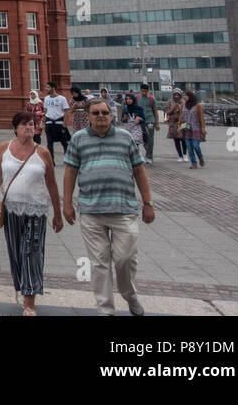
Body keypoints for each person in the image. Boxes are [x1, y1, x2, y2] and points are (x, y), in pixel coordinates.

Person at [63, 98, 155, 316]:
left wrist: (148, 203)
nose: (101, 116)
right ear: (89, 116)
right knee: (100, 264)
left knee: (125, 258)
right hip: (91, 211)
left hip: (123, 209)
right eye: (96, 113)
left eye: (105, 112)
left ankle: (129, 294)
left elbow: (139, 170)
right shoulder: (78, 139)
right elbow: (70, 172)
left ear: (111, 115)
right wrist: (66, 204)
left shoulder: (125, 137)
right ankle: (106, 310)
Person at [0, 110, 62, 316]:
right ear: (15, 128)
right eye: (24, 124)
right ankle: (25, 289)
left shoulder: (43, 153)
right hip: (11, 209)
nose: (29, 127)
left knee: (30, 252)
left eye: (32, 124)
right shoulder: (4, 148)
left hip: (36, 211)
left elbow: (52, 185)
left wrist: (57, 213)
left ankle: (30, 301)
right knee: (16, 253)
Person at [42, 82, 70, 164]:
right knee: (49, 143)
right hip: (49, 122)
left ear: (53, 88)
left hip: (59, 122)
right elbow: (45, 111)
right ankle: (51, 161)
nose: (46, 89)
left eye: (48, 87)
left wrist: (64, 124)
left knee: (64, 142)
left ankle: (67, 159)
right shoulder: (46, 98)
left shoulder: (62, 98)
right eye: (46, 87)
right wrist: (43, 123)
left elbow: (66, 111)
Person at [181, 90, 207, 169]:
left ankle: (200, 157)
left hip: (196, 128)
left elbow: (201, 117)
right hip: (186, 128)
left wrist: (203, 128)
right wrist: (180, 126)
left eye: (185, 95)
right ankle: (193, 163)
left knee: (195, 145)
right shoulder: (183, 105)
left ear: (190, 96)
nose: (184, 97)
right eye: (183, 95)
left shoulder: (197, 105)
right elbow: (181, 117)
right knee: (189, 147)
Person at [136, 85, 159, 164]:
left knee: (150, 138)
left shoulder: (152, 99)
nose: (144, 93)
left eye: (145, 91)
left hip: (150, 121)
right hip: (141, 121)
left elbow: (155, 111)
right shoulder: (137, 98)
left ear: (148, 91)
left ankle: (149, 156)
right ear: (140, 90)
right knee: (142, 138)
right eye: (142, 91)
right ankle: (147, 152)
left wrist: (157, 123)